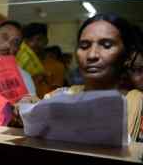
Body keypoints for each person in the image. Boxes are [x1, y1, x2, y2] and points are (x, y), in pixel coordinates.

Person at [39, 13, 141, 141]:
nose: (92, 55)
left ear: (127, 56)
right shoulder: (58, 98)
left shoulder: (137, 105)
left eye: (106, 45)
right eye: (84, 46)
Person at [16, 23, 49, 98]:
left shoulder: (56, 65)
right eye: (38, 39)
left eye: (41, 39)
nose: (33, 44)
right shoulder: (20, 58)